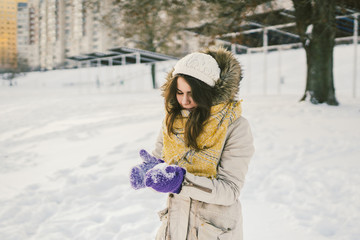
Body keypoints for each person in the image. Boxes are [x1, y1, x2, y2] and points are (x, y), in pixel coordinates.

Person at [130, 47, 255, 240]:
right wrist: (149, 170)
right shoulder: (172, 120)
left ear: (209, 91)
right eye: (179, 92)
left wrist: (182, 182)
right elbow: (161, 159)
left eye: (192, 93)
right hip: (175, 225)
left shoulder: (235, 126)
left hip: (212, 230)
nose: (185, 100)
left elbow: (229, 190)